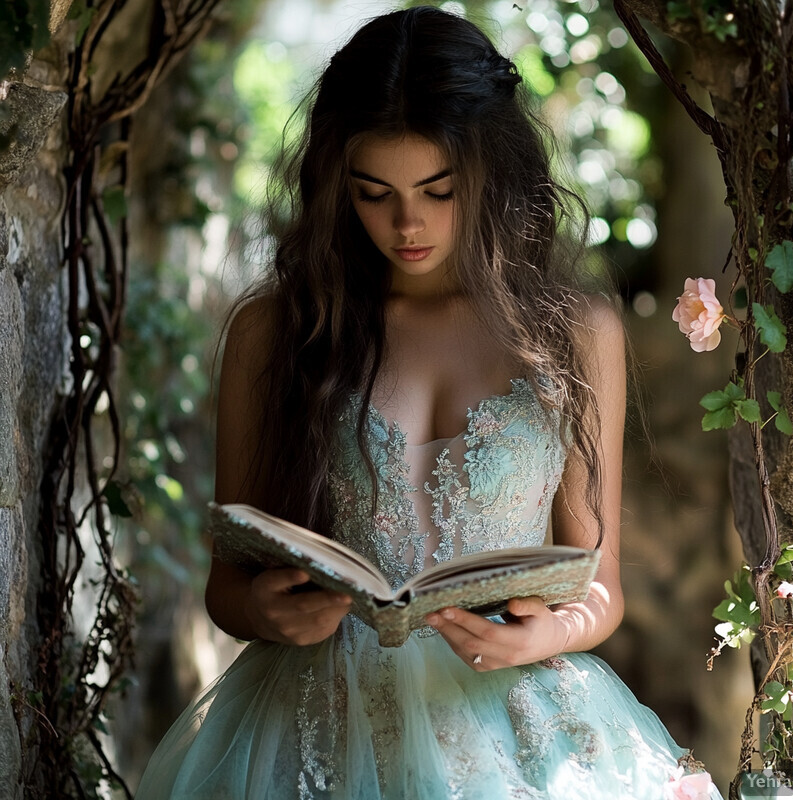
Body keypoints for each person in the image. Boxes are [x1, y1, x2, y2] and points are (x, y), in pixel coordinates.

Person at [136, 7, 724, 799]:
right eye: (373, 192)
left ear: (492, 171)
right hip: (322, 722)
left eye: (438, 190)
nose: (405, 223)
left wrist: (552, 631)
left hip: (517, 717)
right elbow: (228, 586)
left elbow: (599, 583)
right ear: (335, 183)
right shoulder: (276, 330)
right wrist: (268, 612)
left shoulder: (574, 330)